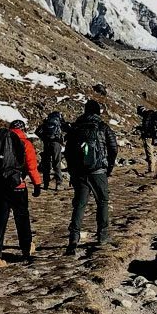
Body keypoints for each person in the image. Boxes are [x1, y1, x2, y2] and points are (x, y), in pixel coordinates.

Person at [0, 119, 42, 268]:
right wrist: (37, 184)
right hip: (17, 186)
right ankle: (26, 249)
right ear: (23, 129)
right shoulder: (25, 143)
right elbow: (31, 166)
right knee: (21, 217)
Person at [64, 99, 117, 255]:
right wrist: (109, 166)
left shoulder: (76, 127)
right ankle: (103, 235)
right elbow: (113, 148)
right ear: (98, 112)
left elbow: (68, 152)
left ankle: (73, 238)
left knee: (80, 205)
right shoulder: (103, 127)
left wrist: (73, 171)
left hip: (80, 173)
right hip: (98, 171)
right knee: (102, 201)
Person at [36, 111, 67, 191]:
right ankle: (59, 183)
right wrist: (62, 139)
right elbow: (66, 129)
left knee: (46, 163)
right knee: (57, 163)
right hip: (56, 144)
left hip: (46, 144)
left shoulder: (47, 122)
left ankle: (46, 183)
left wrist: (44, 138)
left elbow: (37, 131)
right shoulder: (59, 122)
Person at [135, 105, 157, 173]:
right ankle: (151, 169)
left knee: (149, 153)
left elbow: (146, 128)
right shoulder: (151, 114)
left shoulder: (147, 116)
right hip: (152, 136)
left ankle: (151, 170)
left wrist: (140, 128)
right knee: (150, 152)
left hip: (148, 137)